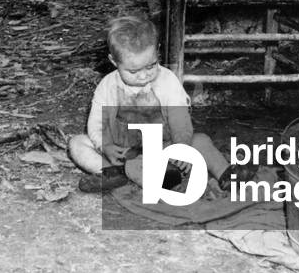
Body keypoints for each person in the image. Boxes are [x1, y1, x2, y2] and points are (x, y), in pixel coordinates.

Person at [68, 15, 248, 193]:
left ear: (157, 51)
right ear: (114, 61)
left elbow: (180, 120)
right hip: (124, 152)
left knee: (201, 141)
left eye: (151, 65)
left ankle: (226, 174)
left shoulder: (166, 80)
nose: (144, 76)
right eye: (133, 71)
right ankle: (113, 173)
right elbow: (96, 124)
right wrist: (104, 146)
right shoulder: (107, 86)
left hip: (166, 148)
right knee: (77, 143)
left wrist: (181, 148)